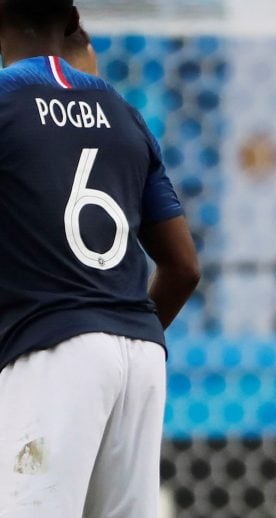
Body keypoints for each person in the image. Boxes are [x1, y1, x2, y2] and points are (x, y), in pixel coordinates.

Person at [0, 1, 200, 517]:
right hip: (140, 352)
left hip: (51, 349)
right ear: (70, 21)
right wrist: (122, 326)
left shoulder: (6, 102)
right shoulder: (124, 113)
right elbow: (183, 267)